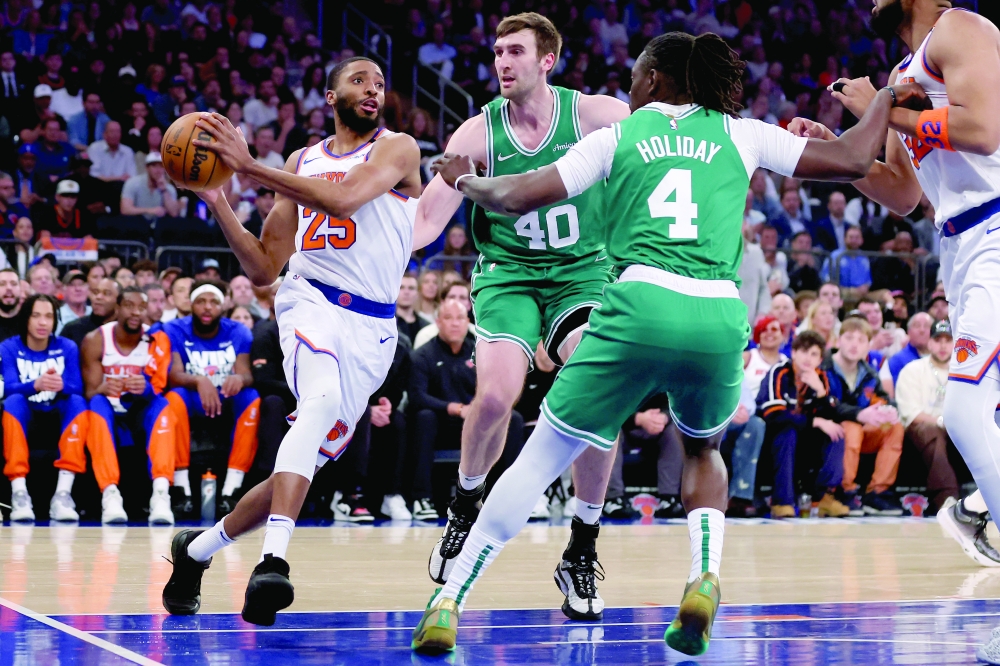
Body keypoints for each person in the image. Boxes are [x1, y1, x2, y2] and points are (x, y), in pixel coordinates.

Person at [411, 29, 906, 656]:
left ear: (660, 82)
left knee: (539, 458)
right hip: (719, 315)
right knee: (704, 451)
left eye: (639, 75)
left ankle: (450, 598)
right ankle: (703, 577)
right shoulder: (742, 131)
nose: (631, 86)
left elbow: (514, 194)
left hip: (640, 304)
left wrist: (463, 181)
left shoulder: (619, 135)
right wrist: (885, 97)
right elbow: (858, 160)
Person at [160, 55, 422, 627]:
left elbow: (347, 199)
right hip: (310, 301)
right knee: (320, 404)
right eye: (358, 81)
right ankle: (272, 562)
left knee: (298, 471)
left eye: (379, 83)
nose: (372, 90)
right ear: (330, 97)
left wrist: (249, 168)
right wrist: (219, 198)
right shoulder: (302, 160)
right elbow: (263, 268)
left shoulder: (399, 149)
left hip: (373, 330)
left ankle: (195, 552)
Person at [410, 12, 631, 621]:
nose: (502, 62)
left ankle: (581, 545)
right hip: (508, 274)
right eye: (497, 52)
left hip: (581, 272)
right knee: (496, 397)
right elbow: (427, 222)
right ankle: (465, 503)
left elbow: (661, 153)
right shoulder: (478, 134)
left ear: (547, 61)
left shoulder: (596, 115)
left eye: (515, 51)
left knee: (597, 386)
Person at [800, 2, 1000, 604]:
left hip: (994, 227)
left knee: (963, 410)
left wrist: (886, 107)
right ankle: (980, 507)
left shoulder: (959, 26)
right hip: (958, 244)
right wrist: (839, 147)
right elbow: (905, 193)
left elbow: (984, 128)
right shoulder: (900, 76)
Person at [163, 281, 260, 516]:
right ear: (191, 304)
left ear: (224, 305)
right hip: (193, 399)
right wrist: (199, 380)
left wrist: (240, 378)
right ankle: (181, 488)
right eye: (201, 301)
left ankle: (232, 490)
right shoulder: (174, 329)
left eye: (214, 302)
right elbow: (174, 375)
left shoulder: (238, 331)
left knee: (252, 397)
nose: (207, 307)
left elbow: (246, 372)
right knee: (173, 398)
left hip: (226, 398)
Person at [81, 286, 175, 524]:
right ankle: (110, 494)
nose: (136, 312)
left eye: (141, 307)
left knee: (163, 405)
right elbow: (90, 392)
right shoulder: (95, 339)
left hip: (140, 410)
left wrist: (144, 387)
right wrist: (103, 387)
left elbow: (159, 386)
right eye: (130, 306)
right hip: (109, 409)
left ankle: (161, 494)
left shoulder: (156, 339)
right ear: (118, 308)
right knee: (97, 406)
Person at [2, 294, 90, 522]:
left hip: (57, 414)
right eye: (36, 316)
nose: (43, 322)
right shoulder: (9, 347)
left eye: (49, 316)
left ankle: (63, 494)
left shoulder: (67, 347)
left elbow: (78, 387)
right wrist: (36, 384)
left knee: (77, 402)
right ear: (26, 319)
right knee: (13, 401)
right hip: (26, 414)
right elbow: (9, 388)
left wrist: (62, 385)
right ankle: (19, 493)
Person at [759, 330, 850, 519]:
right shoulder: (779, 372)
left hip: (805, 441)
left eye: (814, 354)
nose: (808, 358)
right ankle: (782, 502)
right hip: (774, 439)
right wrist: (814, 421)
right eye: (804, 352)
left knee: (836, 432)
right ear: (793, 353)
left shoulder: (820, 378)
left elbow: (831, 417)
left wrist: (820, 393)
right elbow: (773, 415)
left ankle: (825, 497)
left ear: (820, 360)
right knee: (788, 432)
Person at [823, 316, 904, 515]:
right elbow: (825, 405)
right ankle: (845, 490)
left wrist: (888, 410)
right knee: (852, 428)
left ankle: (877, 491)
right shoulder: (824, 367)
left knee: (894, 427)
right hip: (827, 432)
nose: (854, 345)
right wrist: (859, 414)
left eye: (861, 340)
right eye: (849, 338)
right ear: (838, 341)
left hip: (861, 432)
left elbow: (883, 398)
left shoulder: (868, 372)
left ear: (868, 346)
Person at [896, 320, 968, 516]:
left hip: (959, 430)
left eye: (948, 340)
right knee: (932, 431)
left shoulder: (965, 373)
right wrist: (940, 421)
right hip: (922, 431)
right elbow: (910, 412)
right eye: (938, 340)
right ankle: (947, 500)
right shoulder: (912, 370)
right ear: (929, 343)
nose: (943, 345)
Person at [726, 316, 785, 517]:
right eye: (764, 329)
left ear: (783, 335)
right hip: (742, 414)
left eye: (774, 329)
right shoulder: (748, 357)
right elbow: (728, 382)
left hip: (773, 417)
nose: (769, 333)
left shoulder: (787, 364)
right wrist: (733, 410)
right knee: (757, 425)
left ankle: (753, 495)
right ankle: (740, 495)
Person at [879, 312, 933, 398]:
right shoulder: (897, 360)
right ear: (908, 332)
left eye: (927, 326)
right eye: (917, 326)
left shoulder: (942, 359)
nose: (922, 330)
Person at [60, 278, 120, 347]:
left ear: (119, 301)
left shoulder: (126, 330)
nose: (98, 297)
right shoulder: (72, 329)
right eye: (95, 292)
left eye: (106, 293)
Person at [120, 152, 181, 219]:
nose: (158, 170)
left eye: (161, 166)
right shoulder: (133, 183)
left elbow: (174, 213)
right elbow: (125, 209)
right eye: (154, 166)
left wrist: (164, 191)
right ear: (147, 168)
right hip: (137, 224)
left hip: (159, 226)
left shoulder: (169, 188)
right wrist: (149, 210)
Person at [56, 269, 91, 334]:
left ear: (88, 289)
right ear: (63, 291)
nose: (78, 289)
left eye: (81, 284)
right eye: (72, 285)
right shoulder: (57, 316)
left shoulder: (94, 313)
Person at [396, 274, 427, 343]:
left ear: (418, 293)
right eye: (401, 287)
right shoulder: (387, 324)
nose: (406, 292)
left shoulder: (426, 326)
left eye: (411, 288)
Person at [0, 268, 22, 341]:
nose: (9, 288)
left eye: (14, 284)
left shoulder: (29, 323)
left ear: (20, 289)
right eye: (2, 284)